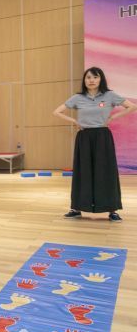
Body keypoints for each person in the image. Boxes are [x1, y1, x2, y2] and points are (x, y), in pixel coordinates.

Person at [53, 66, 136, 221]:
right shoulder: (78, 98)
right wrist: (74, 121)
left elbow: (132, 106)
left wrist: (112, 118)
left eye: (95, 77)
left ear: (101, 79)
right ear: (84, 80)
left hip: (103, 136)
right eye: (88, 77)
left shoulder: (109, 95)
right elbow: (57, 111)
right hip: (84, 137)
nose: (91, 80)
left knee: (106, 171)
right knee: (82, 171)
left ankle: (112, 210)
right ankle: (77, 208)